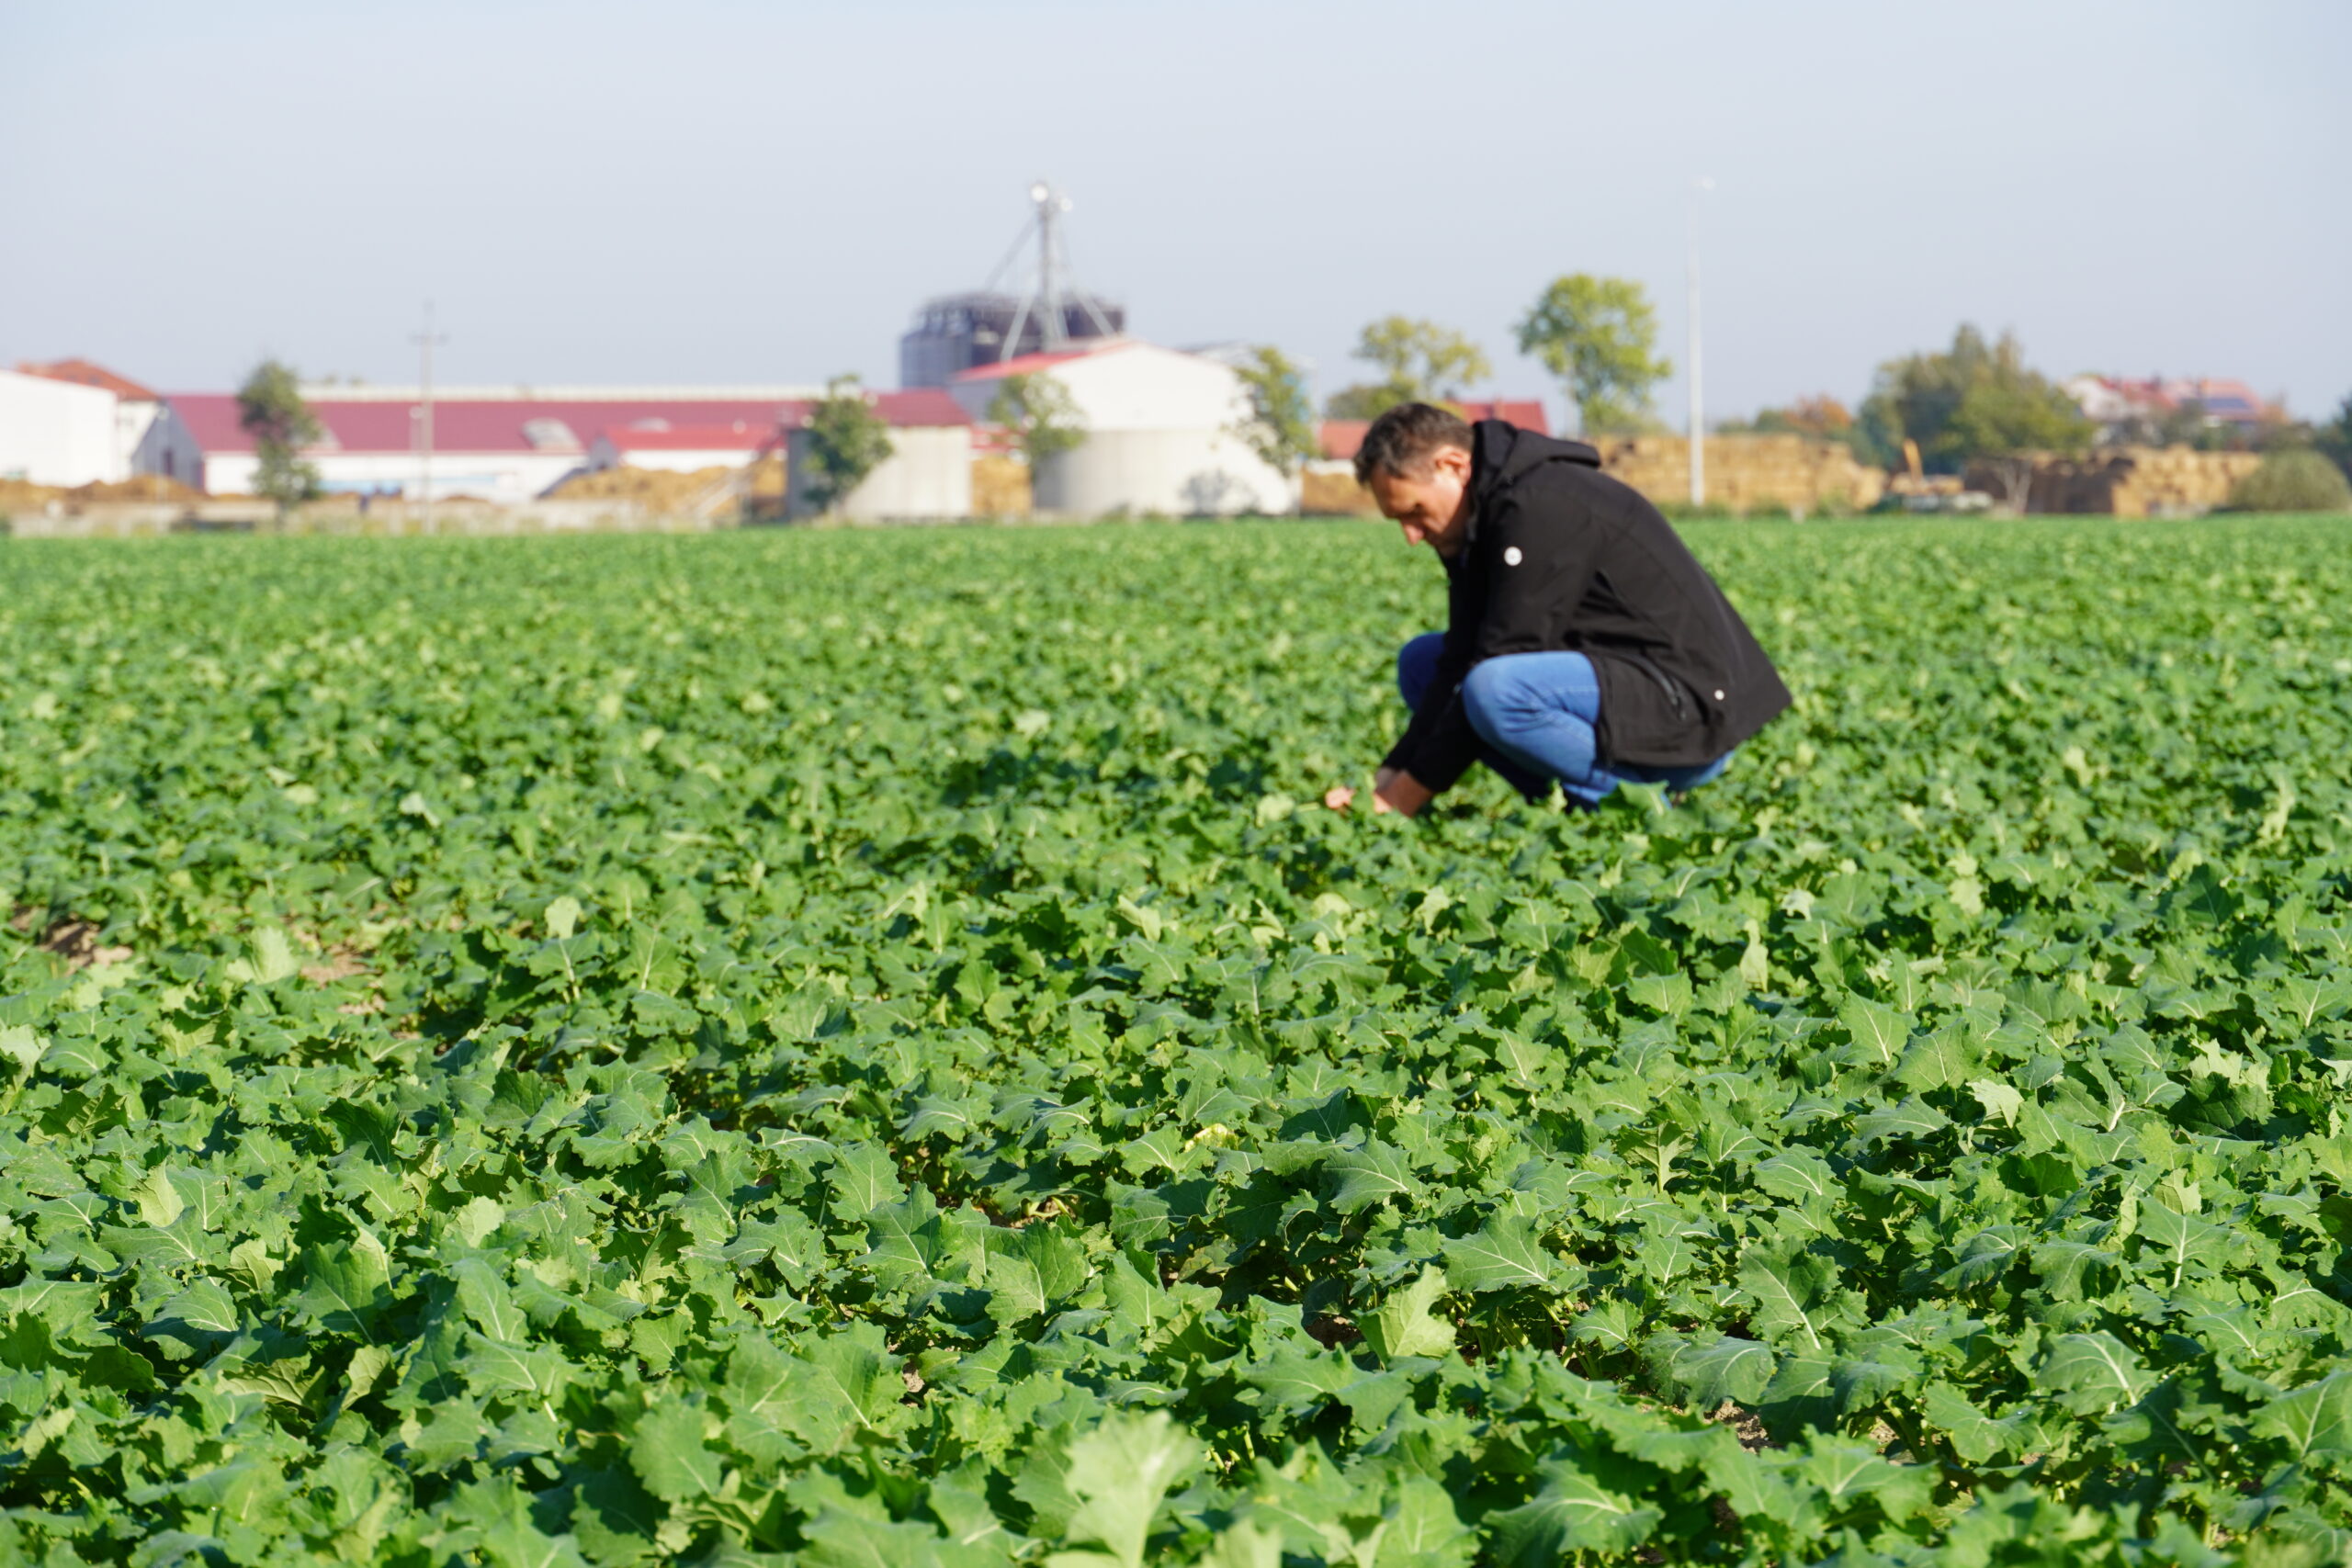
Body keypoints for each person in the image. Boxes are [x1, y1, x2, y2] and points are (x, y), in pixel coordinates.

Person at [1325, 402, 1790, 818]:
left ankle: (1631, 808)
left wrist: (1401, 801)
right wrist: (1383, 781)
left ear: (1453, 466)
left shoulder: (1539, 505)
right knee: (1422, 665)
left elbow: (1494, 664)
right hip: (1628, 692)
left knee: (1494, 689)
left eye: (1415, 512)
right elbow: (1462, 657)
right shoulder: (1478, 518)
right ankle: (1574, 803)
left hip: (1691, 716)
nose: (1411, 534)